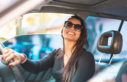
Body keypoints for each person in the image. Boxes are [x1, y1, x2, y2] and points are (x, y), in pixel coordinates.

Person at [2, 15, 95, 82]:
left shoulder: (86, 58)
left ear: (82, 34)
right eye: (68, 24)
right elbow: (37, 67)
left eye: (77, 27)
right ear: (63, 30)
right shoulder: (57, 53)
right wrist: (22, 58)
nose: (72, 28)